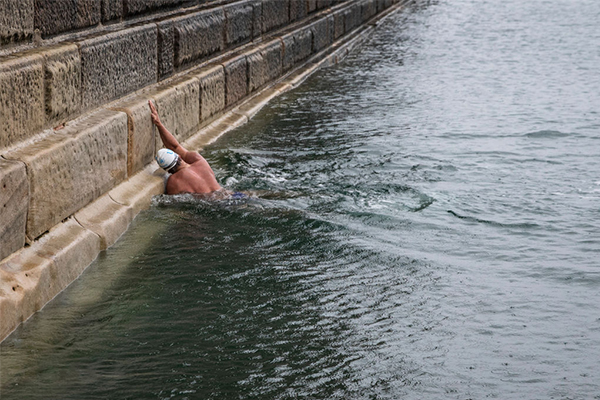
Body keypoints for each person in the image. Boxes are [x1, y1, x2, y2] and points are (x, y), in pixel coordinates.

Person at [149, 100, 222, 195]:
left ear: (167, 170)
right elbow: (175, 146)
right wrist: (158, 123)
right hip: (228, 195)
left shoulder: (174, 182)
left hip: (213, 204)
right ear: (178, 156)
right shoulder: (198, 161)